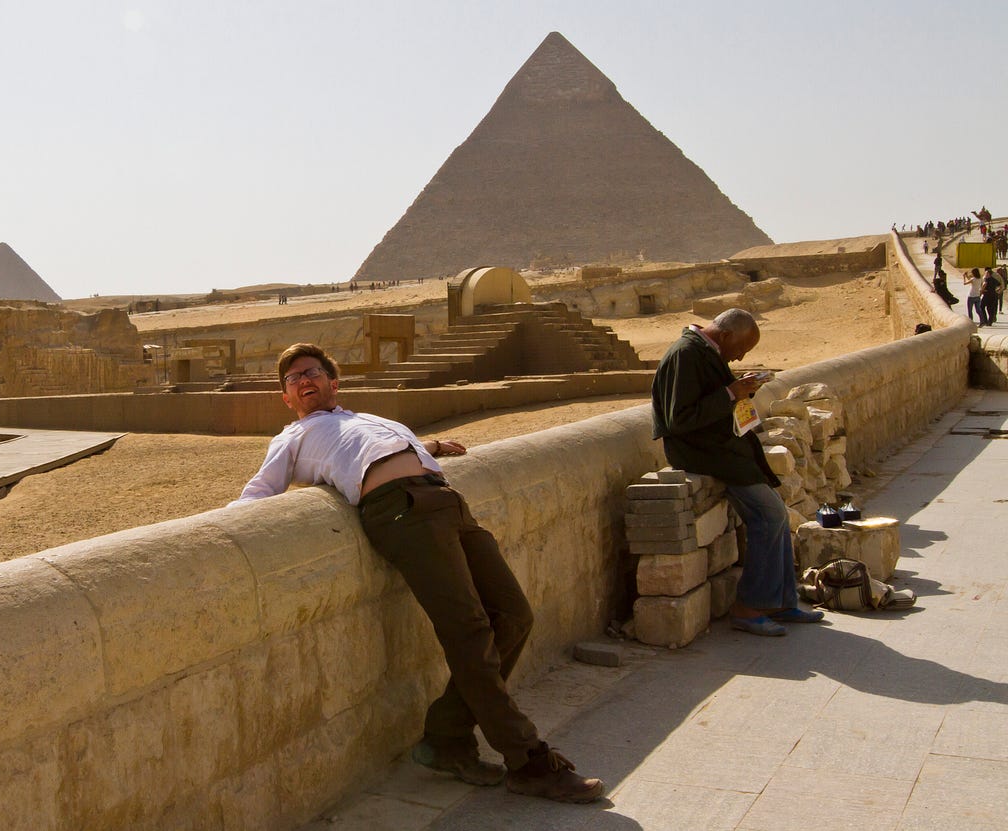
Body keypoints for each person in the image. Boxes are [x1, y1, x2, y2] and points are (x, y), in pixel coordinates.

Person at [232, 343, 604, 803]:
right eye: (292, 380)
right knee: (469, 631)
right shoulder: (292, 438)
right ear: (286, 398)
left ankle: (446, 738)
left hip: (446, 501)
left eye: (312, 372)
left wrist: (426, 447)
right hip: (401, 513)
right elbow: (257, 495)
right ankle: (528, 761)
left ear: (334, 381)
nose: (303, 381)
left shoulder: (367, 419)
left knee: (514, 614)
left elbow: (368, 443)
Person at [650, 309, 823, 637]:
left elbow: (712, 400)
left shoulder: (704, 352)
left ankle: (781, 600)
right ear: (725, 335)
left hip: (724, 451)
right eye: (740, 349)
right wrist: (731, 393)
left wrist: (740, 390)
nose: (741, 356)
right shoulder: (685, 355)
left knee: (776, 515)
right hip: (706, 455)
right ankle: (749, 607)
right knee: (770, 515)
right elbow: (678, 419)